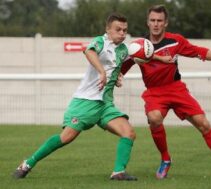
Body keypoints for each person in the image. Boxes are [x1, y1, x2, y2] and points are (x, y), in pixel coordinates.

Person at [121, 5, 211, 179]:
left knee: (204, 124)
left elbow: (197, 51)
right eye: (152, 20)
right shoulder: (139, 46)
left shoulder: (175, 40)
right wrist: (117, 76)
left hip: (176, 89)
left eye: (159, 21)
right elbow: (123, 67)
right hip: (154, 92)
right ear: (147, 22)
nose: (156, 24)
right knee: (155, 118)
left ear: (166, 23)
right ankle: (165, 159)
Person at [13, 13, 138, 181]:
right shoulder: (100, 41)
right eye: (118, 30)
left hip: (105, 105)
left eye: (125, 30)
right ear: (108, 30)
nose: (122, 33)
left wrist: (118, 77)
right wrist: (101, 71)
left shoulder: (123, 50)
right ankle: (27, 164)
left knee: (128, 132)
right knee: (66, 137)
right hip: (85, 102)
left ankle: (118, 172)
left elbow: (119, 66)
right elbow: (88, 51)